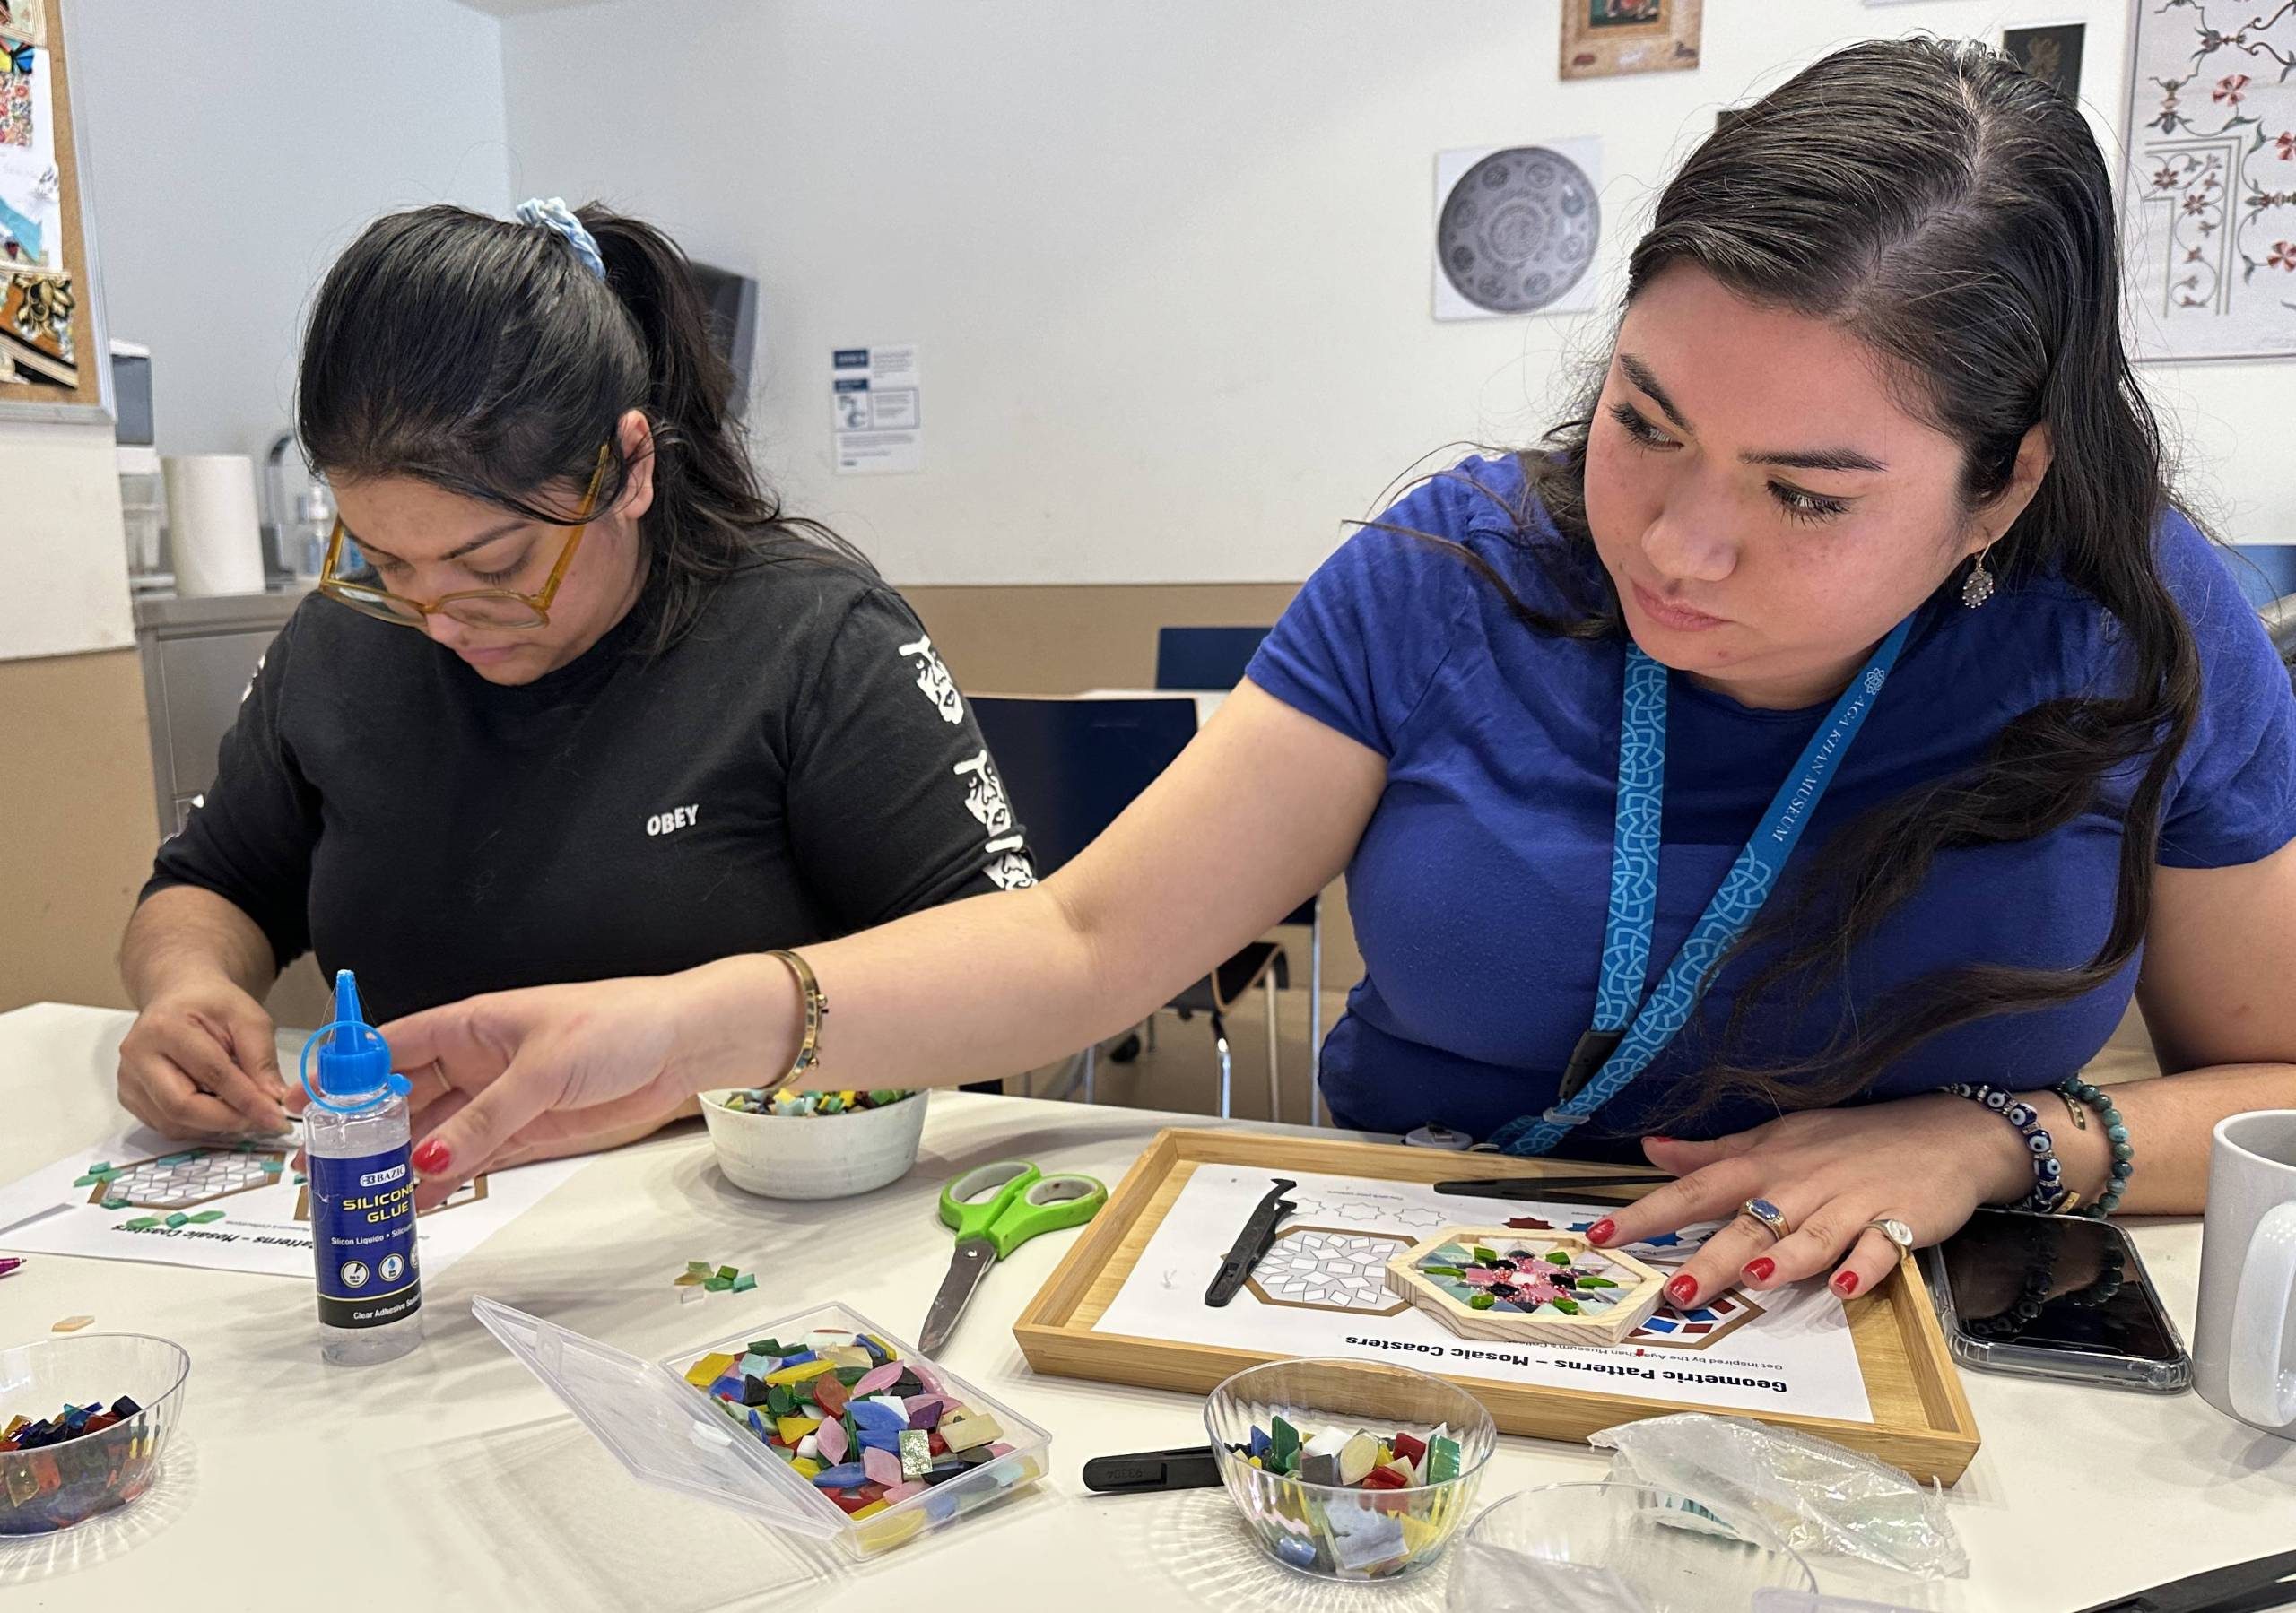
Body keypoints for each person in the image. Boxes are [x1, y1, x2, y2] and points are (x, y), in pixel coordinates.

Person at [378, 41, 2294, 1312]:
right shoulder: (1453, 568)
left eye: (1804, 495)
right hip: (1401, 1290)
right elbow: (1078, 951)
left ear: (2000, 486)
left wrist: (1983, 1138)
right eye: (1642, 419)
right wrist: (688, 1021)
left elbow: (2277, 1084)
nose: (1676, 544)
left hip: (1898, 1316)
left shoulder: (2140, 628)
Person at [115, 199, 1035, 1164]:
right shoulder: (339, 644)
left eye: (498, 564)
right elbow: (210, 881)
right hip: (438, 1208)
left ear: (629, 467)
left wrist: (688, 1062)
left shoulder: (810, 639)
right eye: (386, 562)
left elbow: (1005, 967)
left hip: (753, 1207)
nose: (439, 615)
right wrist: (185, 988)